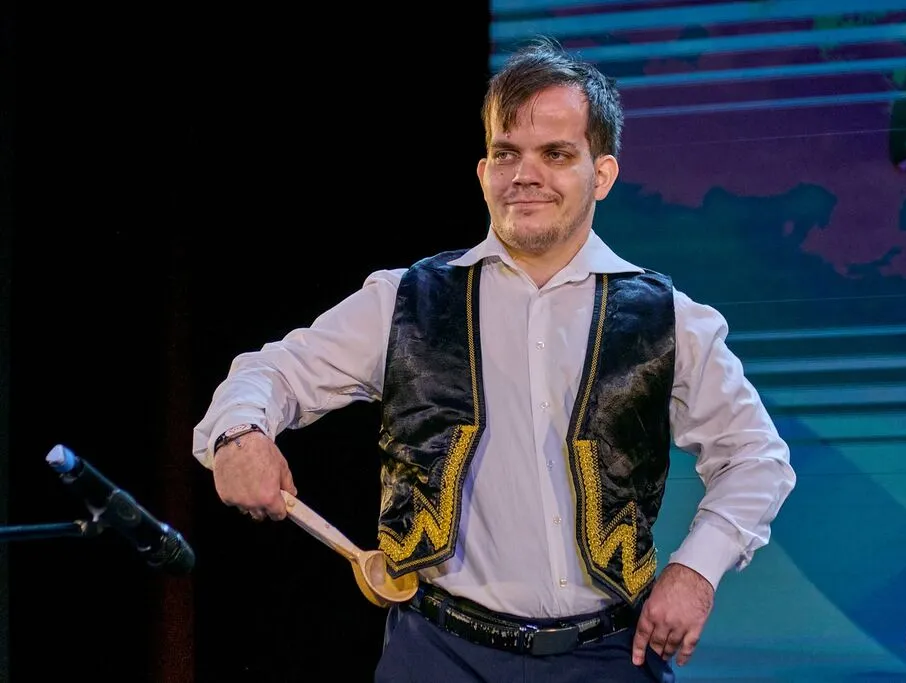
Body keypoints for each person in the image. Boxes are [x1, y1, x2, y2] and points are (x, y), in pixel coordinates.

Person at [192, 36, 796, 683]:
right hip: (438, 654)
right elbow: (270, 373)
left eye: (555, 154)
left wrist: (695, 570)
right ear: (483, 173)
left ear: (602, 174)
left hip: (608, 658)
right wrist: (238, 434)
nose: (524, 175)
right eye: (507, 154)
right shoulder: (406, 301)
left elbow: (756, 458)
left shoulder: (668, 319)